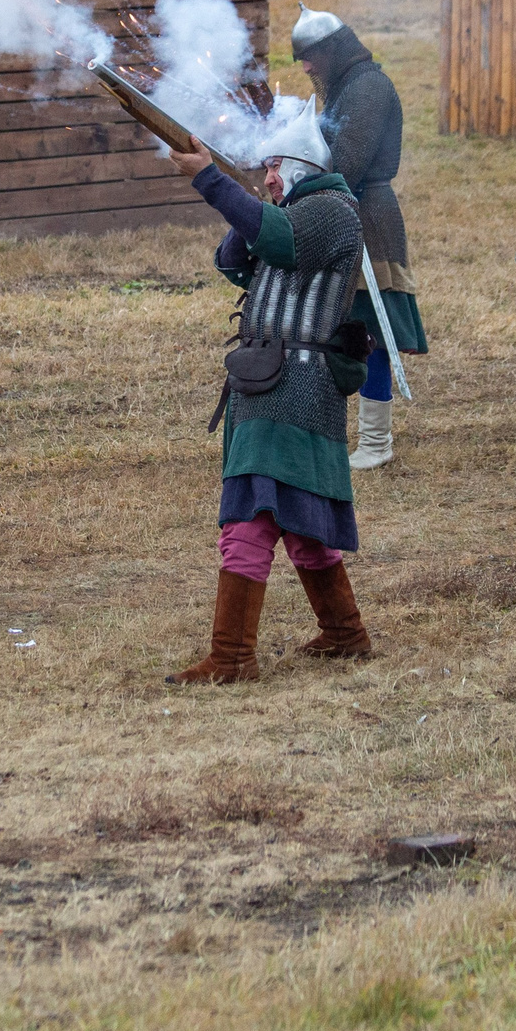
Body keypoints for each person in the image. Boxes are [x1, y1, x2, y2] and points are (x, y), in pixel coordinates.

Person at [163, 106, 374, 683]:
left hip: (294, 386)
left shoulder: (332, 212)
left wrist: (212, 178)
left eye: (275, 167)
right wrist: (250, 202)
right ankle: (344, 633)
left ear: (301, 166)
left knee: (250, 521)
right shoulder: (295, 211)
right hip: (273, 384)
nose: (269, 176)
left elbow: (278, 241)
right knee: (301, 522)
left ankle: (232, 658)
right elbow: (233, 259)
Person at [292, 4, 426, 470]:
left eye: (310, 56)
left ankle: (375, 442)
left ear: (332, 49)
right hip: (347, 211)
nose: (306, 66)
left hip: (369, 217)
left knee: (370, 334)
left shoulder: (368, 87)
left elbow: (346, 162)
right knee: (343, 329)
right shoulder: (348, 85)